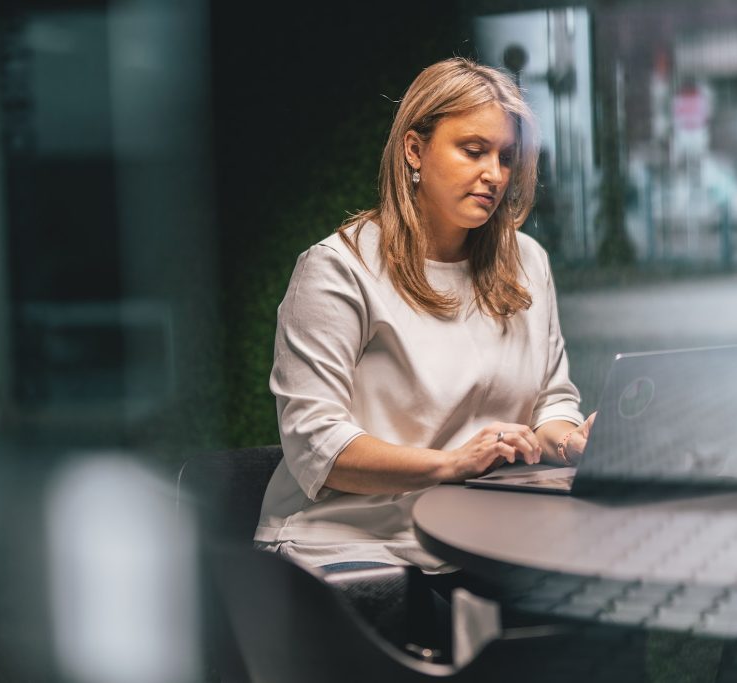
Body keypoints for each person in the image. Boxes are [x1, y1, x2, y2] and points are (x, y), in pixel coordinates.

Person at [254, 57, 595, 576]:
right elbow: (317, 446)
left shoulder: (527, 260)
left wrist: (569, 440)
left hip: (483, 532)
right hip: (351, 541)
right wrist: (450, 464)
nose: (494, 175)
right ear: (415, 149)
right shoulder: (338, 269)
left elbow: (552, 400)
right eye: (473, 150)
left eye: (506, 157)